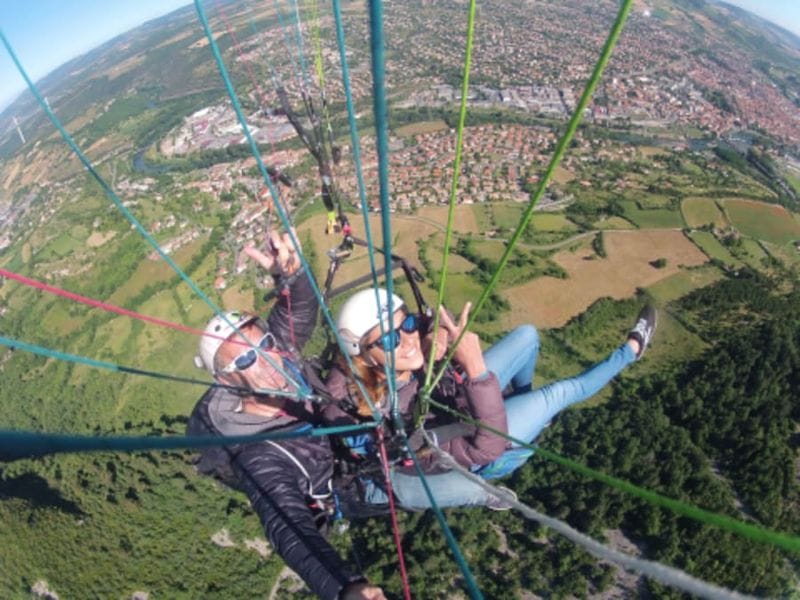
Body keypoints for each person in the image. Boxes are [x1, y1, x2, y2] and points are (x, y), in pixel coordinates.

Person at [186, 232, 386, 600]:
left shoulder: (281, 360)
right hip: (350, 486)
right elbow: (288, 528)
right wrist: (344, 587)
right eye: (245, 359)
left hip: (345, 438)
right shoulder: (257, 454)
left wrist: (291, 276)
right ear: (226, 381)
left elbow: (298, 312)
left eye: (262, 343)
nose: (264, 357)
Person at [325, 288, 656, 490]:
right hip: (484, 445)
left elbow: (432, 321)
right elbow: (487, 447)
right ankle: (631, 351)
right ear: (363, 355)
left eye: (406, 323)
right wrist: (476, 370)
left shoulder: (403, 358)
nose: (407, 338)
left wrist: (435, 332)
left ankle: (519, 395)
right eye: (389, 339)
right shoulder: (383, 419)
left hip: (468, 401)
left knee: (528, 335)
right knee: (560, 393)